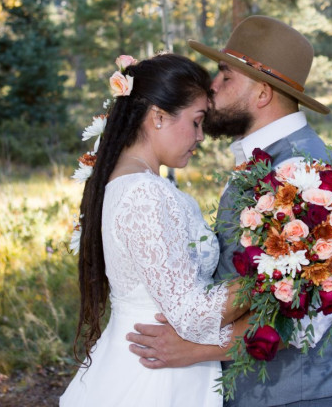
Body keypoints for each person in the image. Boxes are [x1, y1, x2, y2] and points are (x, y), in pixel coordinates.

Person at [127, 16, 332, 406]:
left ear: (262, 94)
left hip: (303, 397)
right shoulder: (266, 159)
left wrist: (196, 349)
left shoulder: (304, 172)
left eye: (225, 75)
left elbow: (309, 314)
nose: (212, 86)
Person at [60, 53, 248, 407]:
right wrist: (267, 275)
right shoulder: (144, 192)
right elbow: (191, 316)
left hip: (155, 364)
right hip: (154, 378)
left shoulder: (127, 181)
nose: (201, 136)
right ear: (158, 116)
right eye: (196, 121)